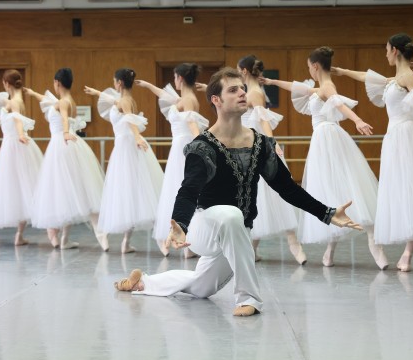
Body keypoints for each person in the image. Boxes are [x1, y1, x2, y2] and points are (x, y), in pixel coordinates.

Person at [114, 67, 361, 317]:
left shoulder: (261, 144)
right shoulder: (202, 147)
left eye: (243, 88)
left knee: (201, 287)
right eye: (233, 90)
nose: (242, 92)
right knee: (230, 215)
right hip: (204, 228)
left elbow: (286, 188)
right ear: (216, 100)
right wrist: (180, 224)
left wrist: (327, 213)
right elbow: (189, 190)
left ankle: (143, 281)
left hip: (237, 233)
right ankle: (249, 297)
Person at [260, 47, 387, 269]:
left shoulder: (327, 87)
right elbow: (294, 86)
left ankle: (373, 244)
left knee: (348, 185)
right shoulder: (319, 88)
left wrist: (357, 120)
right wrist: (271, 82)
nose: (309, 71)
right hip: (321, 140)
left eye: (309, 67)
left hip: (329, 136)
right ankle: (330, 249)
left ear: (315, 66)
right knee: (330, 190)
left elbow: (339, 104)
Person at [333, 33, 413, 272]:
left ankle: (407, 254)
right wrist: (344, 71)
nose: (385, 54)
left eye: (386, 50)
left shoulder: (407, 75)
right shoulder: (396, 78)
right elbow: (368, 77)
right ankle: (408, 251)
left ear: (395, 51)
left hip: (409, 135)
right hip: (395, 137)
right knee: (403, 191)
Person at [237, 54, 307, 264]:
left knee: (274, 195)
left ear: (245, 71)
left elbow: (263, 121)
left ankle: (294, 245)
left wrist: (273, 143)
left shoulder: (255, 93)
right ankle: (254, 248)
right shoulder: (252, 92)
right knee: (259, 198)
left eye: (239, 70)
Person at [84, 68, 163, 254]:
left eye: (114, 81)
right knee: (129, 194)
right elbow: (115, 102)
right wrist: (96, 92)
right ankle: (125, 243)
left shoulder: (125, 102)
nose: (113, 84)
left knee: (126, 192)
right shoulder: (125, 100)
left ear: (119, 83)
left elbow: (130, 120)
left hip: (126, 147)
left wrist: (137, 137)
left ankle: (124, 241)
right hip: (123, 147)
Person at [24, 68, 105, 249]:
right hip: (63, 144)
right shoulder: (69, 100)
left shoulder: (63, 103)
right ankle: (61, 237)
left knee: (58, 189)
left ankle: (57, 234)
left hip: (60, 144)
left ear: (57, 83)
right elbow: (47, 101)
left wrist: (66, 132)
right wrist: (32, 93)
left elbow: (65, 119)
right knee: (64, 190)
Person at [135, 63, 208, 258]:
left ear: (181, 78)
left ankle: (186, 240)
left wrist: (201, 145)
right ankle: (184, 240)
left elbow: (193, 124)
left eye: (175, 77)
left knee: (182, 190)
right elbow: (164, 95)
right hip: (179, 147)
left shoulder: (189, 100)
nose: (173, 81)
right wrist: (149, 85)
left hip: (184, 147)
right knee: (179, 190)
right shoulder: (184, 98)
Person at [0, 69, 43, 245]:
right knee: (19, 189)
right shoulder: (14, 100)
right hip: (11, 145)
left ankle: (19, 235)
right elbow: (2, 102)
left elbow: (18, 120)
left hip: (13, 145)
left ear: (6, 84)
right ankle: (19, 235)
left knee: (19, 188)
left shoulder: (15, 102)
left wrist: (21, 134)